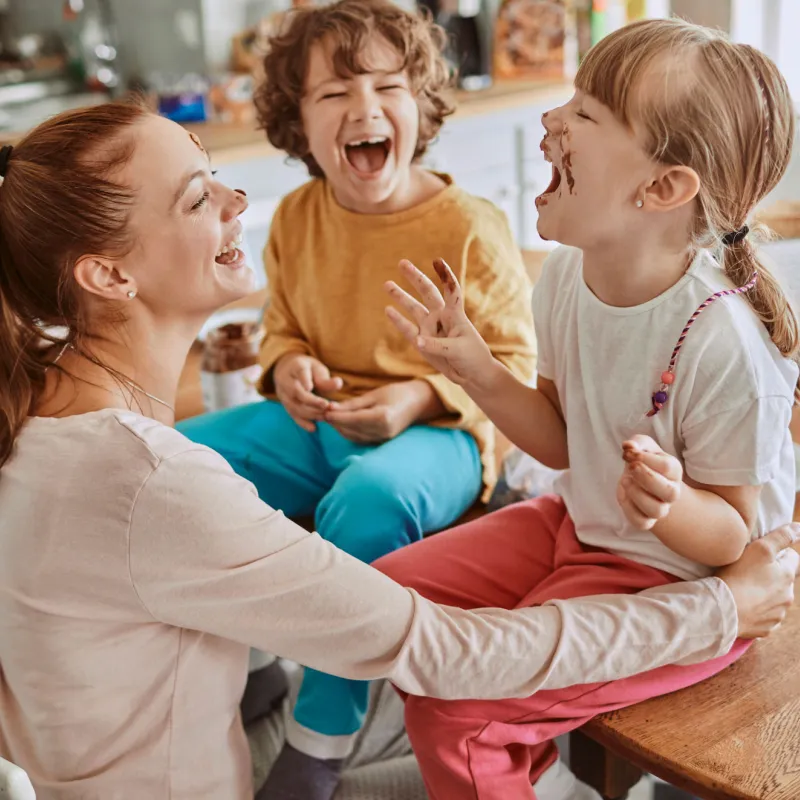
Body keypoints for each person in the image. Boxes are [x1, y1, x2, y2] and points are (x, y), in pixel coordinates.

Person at [0, 100, 795, 800]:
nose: (239, 200)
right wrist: (720, 609)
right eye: (199, 197)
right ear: (109, 274)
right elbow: (446, 655)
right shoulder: (151, 483)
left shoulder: (40, 425)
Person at [382, 18, 800, 799]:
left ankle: (502, 752)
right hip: (577, 523)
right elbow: (565, 440)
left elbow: (731, 539)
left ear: (662, 188)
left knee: (456, 709)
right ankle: (534, 762)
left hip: (675, 582)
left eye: (586, 114)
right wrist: (474, 366)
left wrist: (671, 504)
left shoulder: (723, 345)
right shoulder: (566, 279)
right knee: (383, 605)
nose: (551, 120)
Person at [177, 0, 536, 790]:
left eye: (387, 87)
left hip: (440, 435)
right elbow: (283, 328)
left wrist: (414, 398)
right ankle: (257, 659)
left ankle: (321, 734)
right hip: (316, 423)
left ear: (422, 106)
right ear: (297, 123)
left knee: (366, 502)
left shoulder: (471, 226)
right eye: (334, 95)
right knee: (181, 463)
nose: (365, 109)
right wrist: (287, 369)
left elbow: (511, 365)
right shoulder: (298, 216)